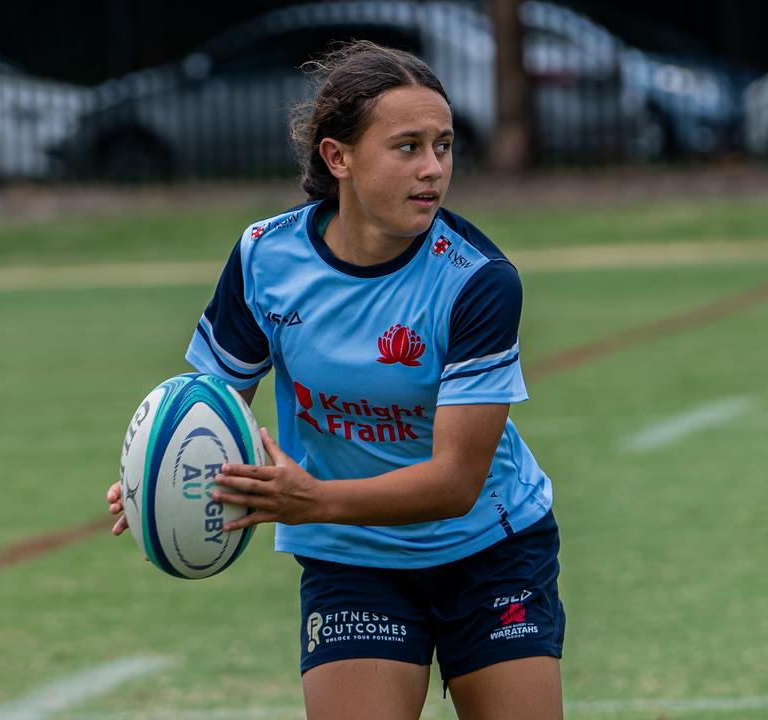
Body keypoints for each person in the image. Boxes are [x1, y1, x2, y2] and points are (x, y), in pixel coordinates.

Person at [105, 40, 563, 720]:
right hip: (353, 558)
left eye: (444, 145)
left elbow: (456, 482)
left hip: (490, 550)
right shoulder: (267, 256)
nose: (433, 168)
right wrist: (163, 473)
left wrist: (312, 499)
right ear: (337, 157)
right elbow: (209, 405)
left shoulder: (476, 281)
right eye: (407, 147)